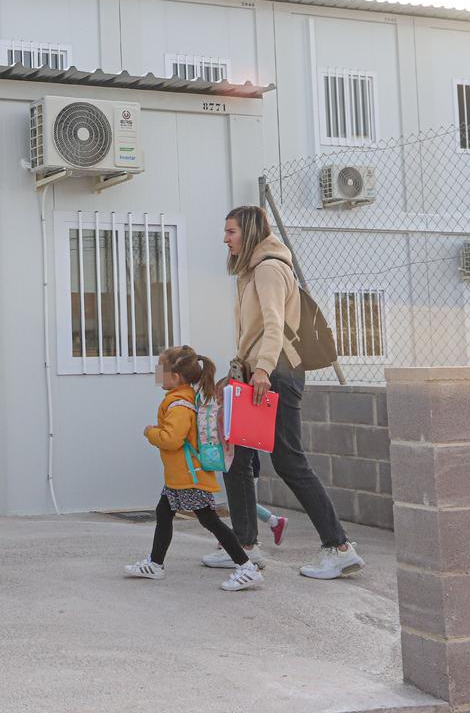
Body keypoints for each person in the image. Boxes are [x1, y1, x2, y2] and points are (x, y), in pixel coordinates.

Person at [203, 206, 364, 579]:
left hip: (276, 374)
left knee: (289, 461)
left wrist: (260, 369)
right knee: (236, 460)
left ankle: (339, 547)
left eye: (231, 232)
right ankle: (244, 546)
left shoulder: (269, 269)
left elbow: (274, 326)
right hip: (260, 373)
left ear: (250, 232)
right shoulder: (252, 270)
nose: (225, 239)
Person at [125, 345, 263, 592]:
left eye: (161, 369)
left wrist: (150, 432)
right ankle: (155, 563)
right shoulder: (180, 399)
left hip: (189, 476)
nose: (157, 373)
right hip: (180, 476)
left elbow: (171, 439)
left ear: (175, 377)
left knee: (210, 521)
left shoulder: (179, 406)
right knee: (164, 512)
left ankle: (246, 567)